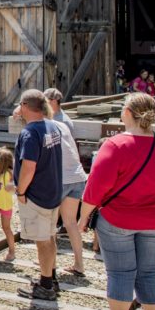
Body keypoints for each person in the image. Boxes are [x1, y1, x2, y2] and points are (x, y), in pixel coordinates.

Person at [79, 93, 155, 310]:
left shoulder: (115, 145)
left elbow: (95, 188)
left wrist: (83, 218)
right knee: (149, 273)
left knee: (120, 273)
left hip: (118, 219)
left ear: (127, 113)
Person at [13, 89, 64, 301]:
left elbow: (28, 167)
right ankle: (51, 278)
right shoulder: (53, 126)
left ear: (25, 106)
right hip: (53, 191)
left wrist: (21, 191)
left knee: (42, 240)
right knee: (50, 235)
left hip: (37, 194)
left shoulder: (30, 133)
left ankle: (45, 286)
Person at [50, 115, 87, 277]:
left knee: (50, 224)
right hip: (76, 175)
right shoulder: (62, 125)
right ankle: (79, 264)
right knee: (70, 222)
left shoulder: (41, 128)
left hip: (60, 178)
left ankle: (50, 262)